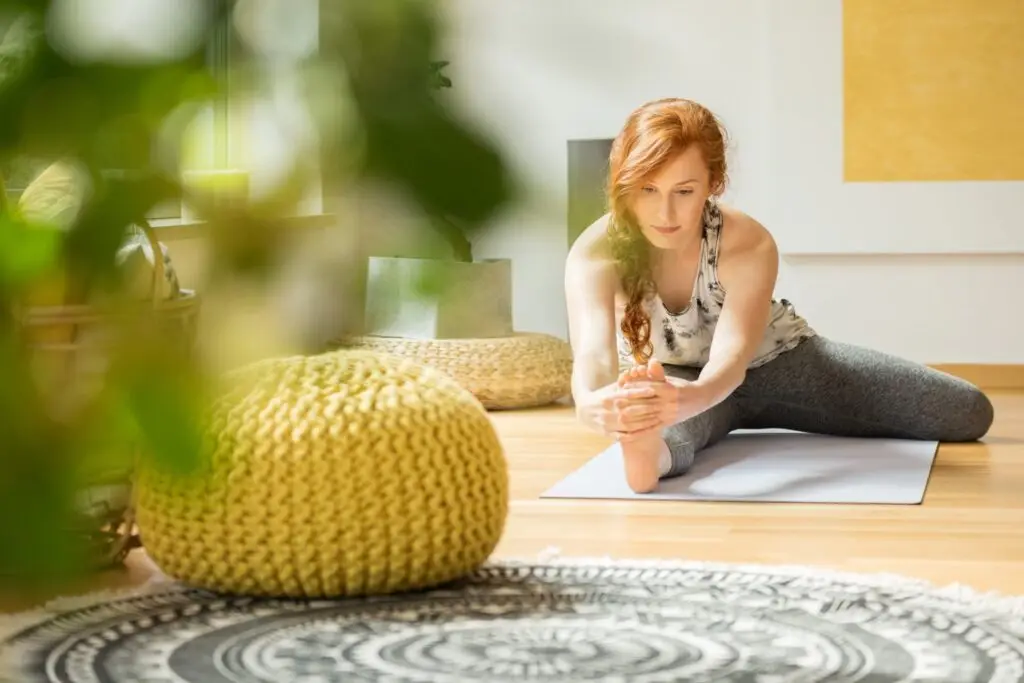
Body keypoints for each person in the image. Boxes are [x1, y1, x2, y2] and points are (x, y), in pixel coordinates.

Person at [564, 97, 994, 494]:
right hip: (675, 377)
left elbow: (732, 357)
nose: (665, 213)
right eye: (648, 189)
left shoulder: (747, 242)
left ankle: (669, 422)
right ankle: (647, 457)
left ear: (714, 183)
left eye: (684, 191)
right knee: (658, 428)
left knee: (968, 412)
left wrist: (692, 397)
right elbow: (594, 354)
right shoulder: (596, 251)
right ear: (626, 183)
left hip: (779, 364)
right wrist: (591, 404)